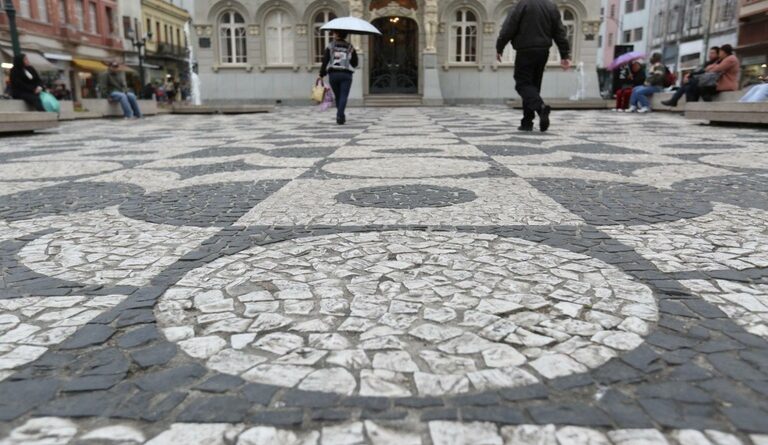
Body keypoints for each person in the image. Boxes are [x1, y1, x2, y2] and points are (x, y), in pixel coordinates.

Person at [496, 0, 571, 132]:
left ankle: (540, 108)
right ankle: (527, 122)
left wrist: (500, 46)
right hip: (543, 51)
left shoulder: (521, 5)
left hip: (525, 50)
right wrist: (564, 55)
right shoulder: (550, 6)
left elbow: (509, 27)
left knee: (522, 84)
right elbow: (560, 31)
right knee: (533, 87)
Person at [319, 30, 359, 125]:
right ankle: (340, 115)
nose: (333, 34)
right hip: (346, 74)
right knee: (343, 96)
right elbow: (355, 63)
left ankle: (340, 115)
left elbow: (325, 61)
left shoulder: (330, 46)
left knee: (338, 96)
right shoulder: (350, 47)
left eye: (334, 33)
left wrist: (321, 74)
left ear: (337, 34)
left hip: (333, 74)